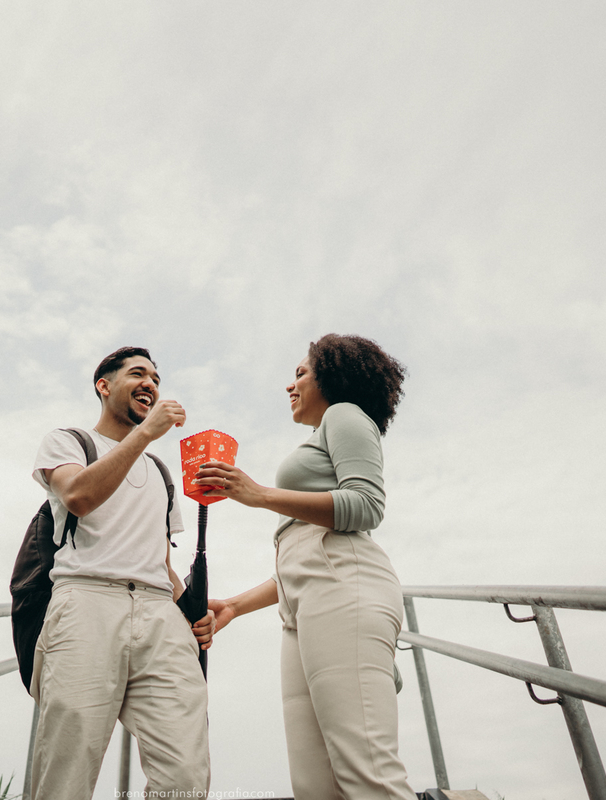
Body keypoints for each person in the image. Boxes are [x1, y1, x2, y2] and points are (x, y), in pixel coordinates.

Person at [195, 333, 415, 800]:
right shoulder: (322, 435)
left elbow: (366, 505)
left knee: (367, 773)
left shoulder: (345, 414)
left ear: (332, 376)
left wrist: (258, 495)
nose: (290, 385)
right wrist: (235, 604)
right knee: (314, 785)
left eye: (300, 374)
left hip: (345, 586)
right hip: (305, 599)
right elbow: (301, 557)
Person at [29, 346, 213, 800]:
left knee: (186, 773)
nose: (150, 383)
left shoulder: (161, 473)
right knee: (67, 769)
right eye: (138, 374)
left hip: (158, 614)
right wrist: (146, 435)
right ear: (104, 385)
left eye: (156, 377)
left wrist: (189, 608)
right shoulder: (68, 441)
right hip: (87, 602)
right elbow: (78, 497)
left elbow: (161, 560)